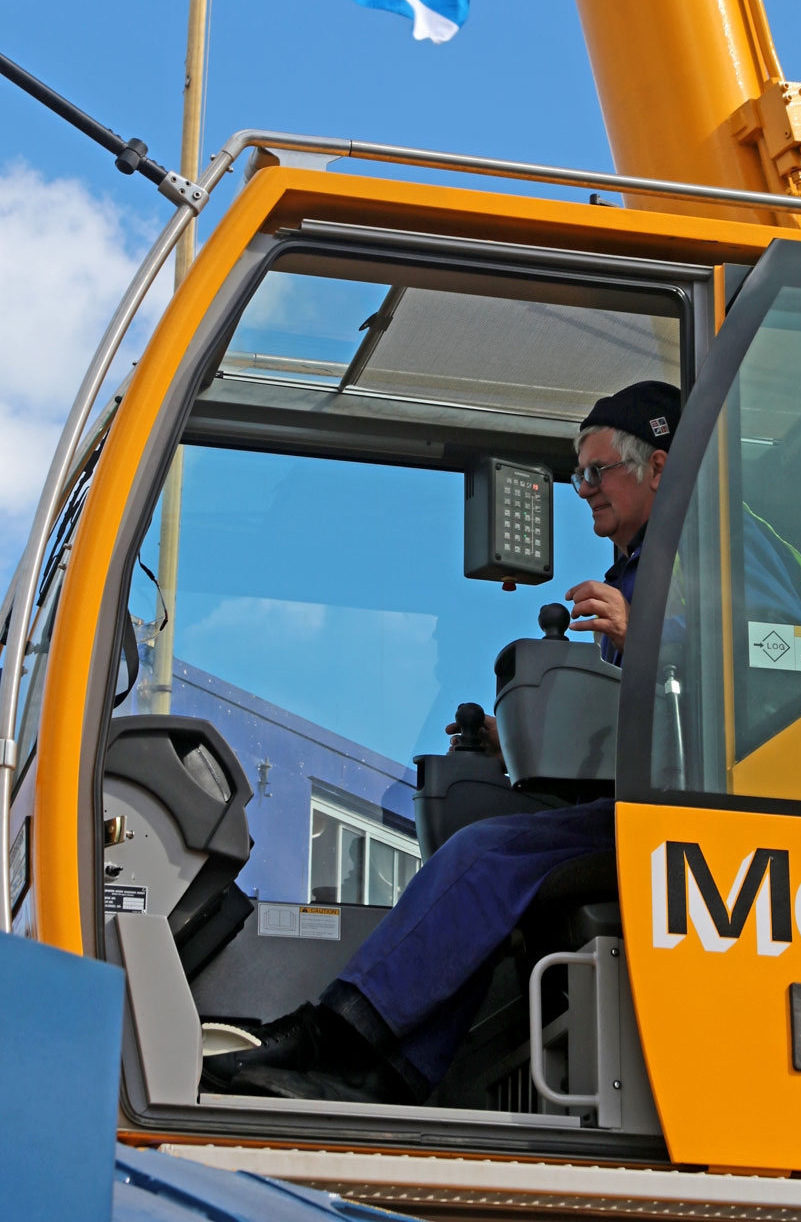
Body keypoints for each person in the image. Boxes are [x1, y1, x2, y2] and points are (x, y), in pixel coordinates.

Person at [203, 381, 681, 1104]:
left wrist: (646, 632)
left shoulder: (722, 559)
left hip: (698, 818)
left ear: (660, 466)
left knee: (486, 853)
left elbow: (775, 667)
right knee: (486, 850)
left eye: (595, 470)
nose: (581, 489)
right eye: (576, 474)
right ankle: (379, 1073)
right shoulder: (638, 572)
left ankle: (332, 1038)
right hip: (643, 802)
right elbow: (641, 717)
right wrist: (507, 744)